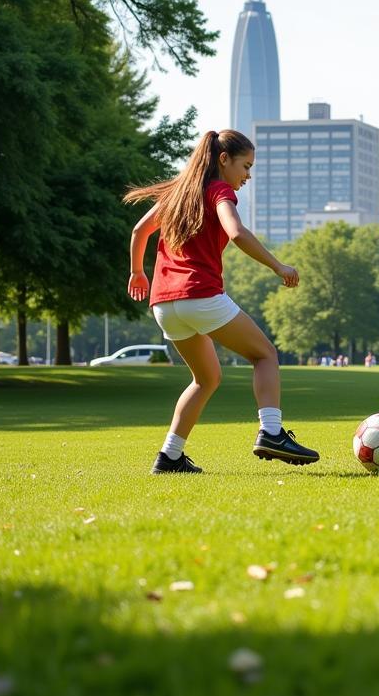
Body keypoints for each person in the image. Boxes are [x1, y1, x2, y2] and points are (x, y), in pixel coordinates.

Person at [125, 129, 319, 473]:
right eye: (246, 166)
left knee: (206, 378)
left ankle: (169, 456)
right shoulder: (219, 190)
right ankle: (272, 432)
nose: (248, 175)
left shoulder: (176, 193)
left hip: (163, 305)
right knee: (265, 355)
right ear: (224, 159)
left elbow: (140, 230)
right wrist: (278, 265)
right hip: (198, 294)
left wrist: (138, 273)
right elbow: (237, 233)